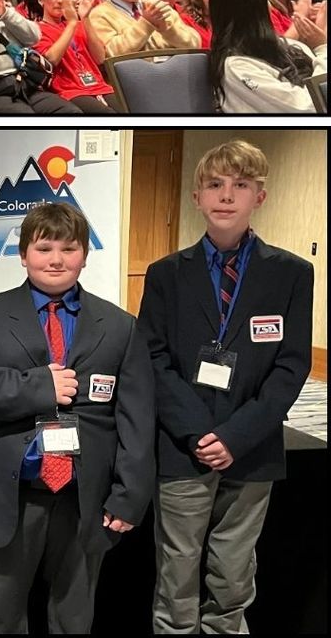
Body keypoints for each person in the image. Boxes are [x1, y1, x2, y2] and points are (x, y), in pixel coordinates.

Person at [0, 202, 154, 634]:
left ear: (84, 255)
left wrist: (130, 494)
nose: (56, 259)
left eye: (68, 248)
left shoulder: (119, 326)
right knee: (1, 621)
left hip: (84, 499)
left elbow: (137, 417)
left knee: (74, 620)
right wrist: (39, 386)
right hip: (6, 496)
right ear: (23, 255)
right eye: (43, 248)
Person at [137, 140, 312, 634]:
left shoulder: (293, 274)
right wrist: (198, 433)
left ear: (260, 196)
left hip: (251, 447)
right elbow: (153, 357)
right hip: (183, 445)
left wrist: (236, 436)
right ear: (197, 197)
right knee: (176, 575)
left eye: (241, 185)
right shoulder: (165, 275)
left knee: (234, 576)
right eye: (215, 185)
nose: (227, 195)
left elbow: (291, 366)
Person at [208, 0, 326, 113]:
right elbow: (308, 107)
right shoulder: (236, 66)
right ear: (262, 5)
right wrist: (323, 48)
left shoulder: (293, 46)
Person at [29, 0, 118, 112]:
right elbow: (51, 59)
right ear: (41, 0)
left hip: (99, 86)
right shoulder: (36, 29)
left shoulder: (80, 24)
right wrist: (71, 23)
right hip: (70, 91)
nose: (60, 0)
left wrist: (85, 18)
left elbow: (100, 57)